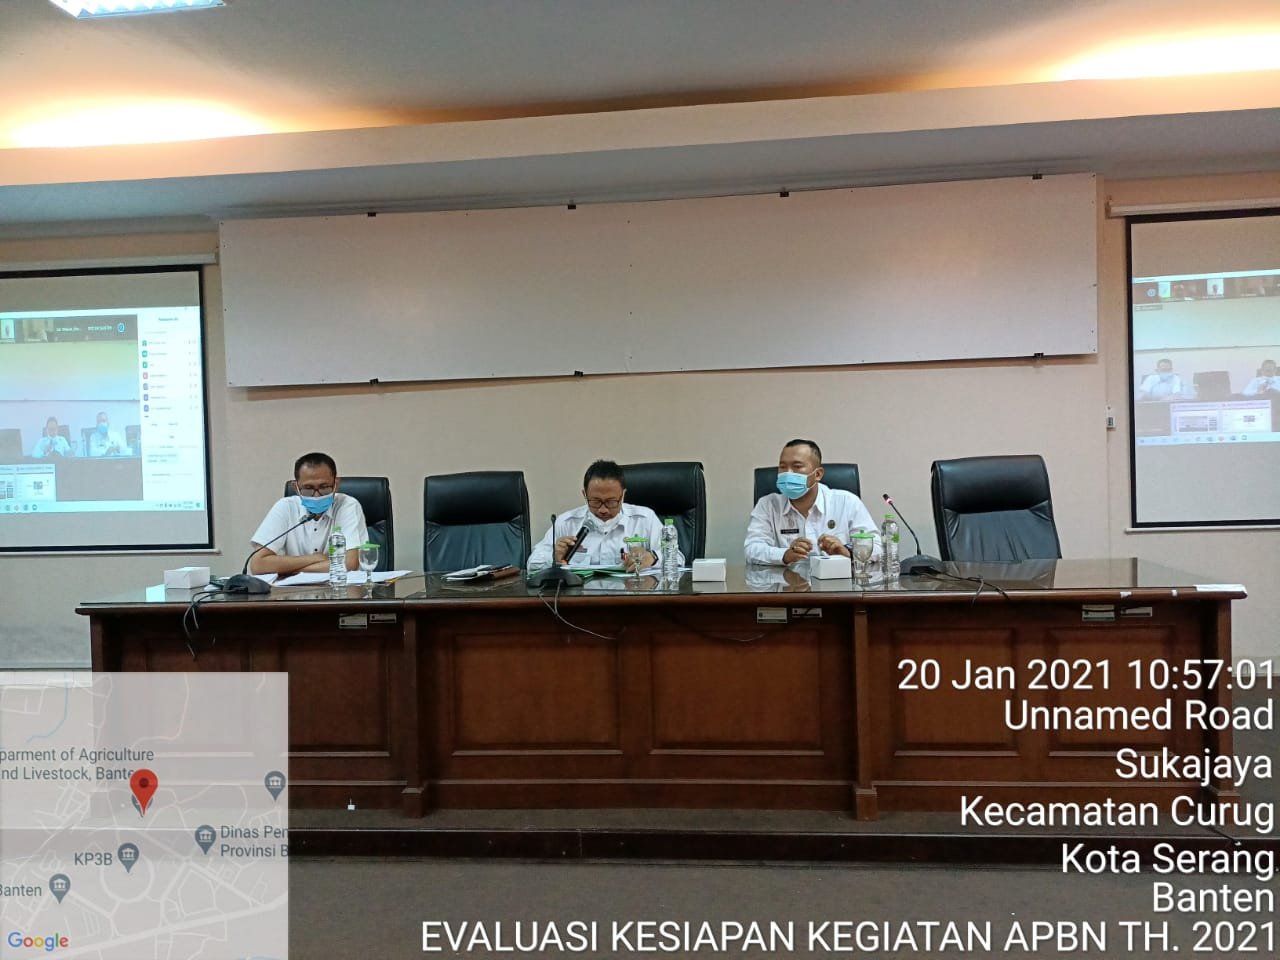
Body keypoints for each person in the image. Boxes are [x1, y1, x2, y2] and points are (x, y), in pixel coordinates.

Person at [745, 438, 881, 566]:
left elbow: (876, 547)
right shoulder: (767, 505)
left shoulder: (847, 502)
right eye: (782, 467)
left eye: (797, 466)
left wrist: (847, 553)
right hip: (786, 581)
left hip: (837, 581)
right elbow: (752, 549)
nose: (788, 473)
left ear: (818, 474)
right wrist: (785, 554)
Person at [528, 460, 683, 571]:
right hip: (579, 601)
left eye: (611, 502)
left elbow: (678, 558)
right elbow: (531, 564)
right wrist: (553, 557)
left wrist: (653, 557)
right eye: (595, 501)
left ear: (623, 495)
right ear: (584, 495)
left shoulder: (644, 519)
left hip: (632, 599)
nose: (603, 510)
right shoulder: (567, 523)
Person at [248, 452, 367, 576]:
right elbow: (258, 565)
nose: (316, 495)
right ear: (296, 487)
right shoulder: (285, 507)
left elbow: (349, 564)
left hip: (339, 586)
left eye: (324, 487)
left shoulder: (348, 505)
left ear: (336, 485)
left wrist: (289, 569)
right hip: (296, 588)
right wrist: (315, 558)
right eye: (308, 488)